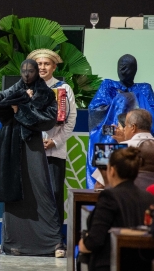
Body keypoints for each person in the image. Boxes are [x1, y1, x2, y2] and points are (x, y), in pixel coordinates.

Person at [0, 59, 63, 256]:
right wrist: (20, 101)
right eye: (23, 71)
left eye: (30, 71)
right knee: (13, 190)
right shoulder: (14, 89)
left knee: (40, 188)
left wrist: (20, 108)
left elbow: (47, 120)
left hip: (32, 145)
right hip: (11, 144)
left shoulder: (46, 93)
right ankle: (14, 243)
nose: (27, 74)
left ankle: (53, 243)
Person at [26, 48, 77, 255]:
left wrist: (54, 141)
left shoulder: (63, 88)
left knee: (54, 194)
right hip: (32, 151)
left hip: (55, 151)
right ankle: (35, 240)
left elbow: (70, 120)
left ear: (54, 67)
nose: (43, 67)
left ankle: (57, 241)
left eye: (47, 64)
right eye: (39, 64)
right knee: (33, 196)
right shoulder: (27, 88)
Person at [78, 147, 154, 271]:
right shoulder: (149, 198)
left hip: (111, 264)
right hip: (142, 266)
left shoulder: (109, 197)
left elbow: (94, 240)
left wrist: (82, 245)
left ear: (112, 170)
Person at [87, 54, 154, 188]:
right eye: (121, 67)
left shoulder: (144, 89)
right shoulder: (108, 85)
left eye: (128, 68)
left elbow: (98, 189)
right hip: (144, 203)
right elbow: (95, 110)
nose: (123, 71)